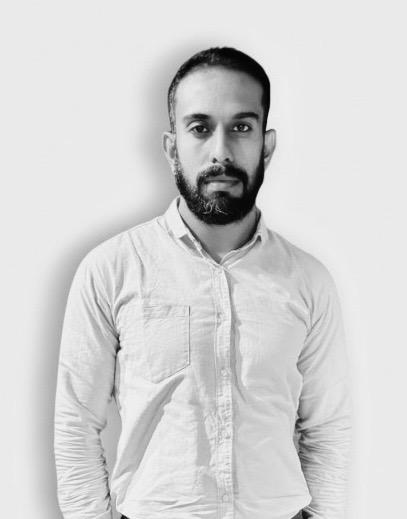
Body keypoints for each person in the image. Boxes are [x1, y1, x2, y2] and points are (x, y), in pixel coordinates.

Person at [54, 47, 353, 519]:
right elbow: (76, 424)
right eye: (200, 128)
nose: (221, 151)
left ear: (267, 145)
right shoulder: (111, 270)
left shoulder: (308, 280)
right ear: (172, 147)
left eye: (241, 127)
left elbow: (327, 429)